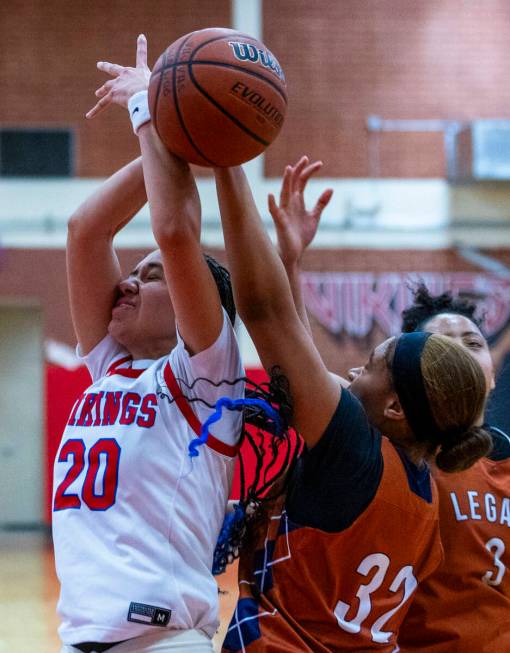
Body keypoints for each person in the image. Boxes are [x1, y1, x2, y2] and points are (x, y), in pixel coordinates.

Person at [212, 159, 492, 652]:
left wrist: (228, 160)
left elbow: (264, 313)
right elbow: (305, 372)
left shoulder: (357, 457)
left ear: (396, 408)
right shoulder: (421, 494)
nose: (355, 372)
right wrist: (291, 262)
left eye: (371, 363)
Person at [53, 36, 244, 653]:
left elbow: (173, 228)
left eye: (152, 274)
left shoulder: (204, 378)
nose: (129, 281)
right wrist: (172, 126)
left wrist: (149, 115)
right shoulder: (109, 367)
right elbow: (86, 231)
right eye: (132, 272)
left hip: (162, 642)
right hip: (83, 638)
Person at [396, 285, 510, 652]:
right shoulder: (391, 454)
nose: (460, 351)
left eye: (473, 343)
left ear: (491, 375)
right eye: (442, 344)